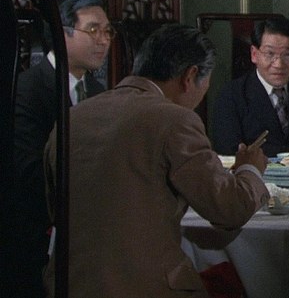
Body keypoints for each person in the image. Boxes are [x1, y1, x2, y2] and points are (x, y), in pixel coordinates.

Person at [43, 24, 269, 298]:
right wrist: (249, 168)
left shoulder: (72, 117)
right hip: (143, 287)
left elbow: (54, 208)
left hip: (65, 285)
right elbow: (228, 209)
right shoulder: (175, 120)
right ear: (190, 76)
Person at [8, 0, 113, 298]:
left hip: (89, 231)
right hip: (35, 236)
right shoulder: (28, 89)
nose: (104, 40)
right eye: (93, 30)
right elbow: (28, 170)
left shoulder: (97, 90)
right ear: (61, 33)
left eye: (108, 31)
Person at [212, 16, 289, 157]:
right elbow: (227, 150)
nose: (278, 64)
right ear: (254, 54)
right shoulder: (231, 95)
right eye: (270, 54)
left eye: (287, 55)